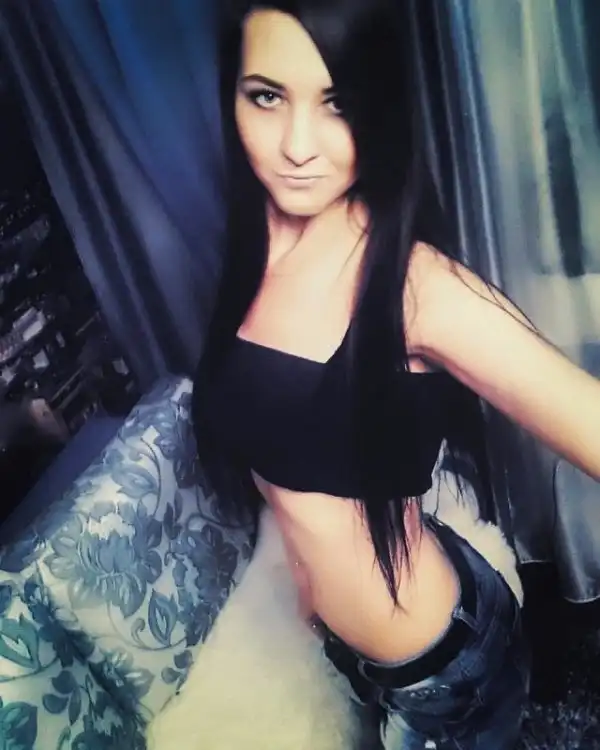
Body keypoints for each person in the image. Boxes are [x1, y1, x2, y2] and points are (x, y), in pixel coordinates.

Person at [191, 1, 600, 747]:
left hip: (441, 667)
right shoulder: (258, 241)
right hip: (365, 644)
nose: (297, 147)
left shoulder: (415, 284)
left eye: (337, 102)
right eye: (267, 96)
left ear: (379, 107)